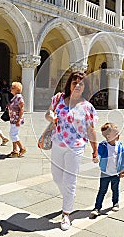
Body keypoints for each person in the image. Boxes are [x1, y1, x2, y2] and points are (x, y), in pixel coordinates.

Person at [45, 71, 98, 231]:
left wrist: (95, 149)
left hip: (76, 146)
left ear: (84, 87)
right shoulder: (58, 99)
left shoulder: (87, 107)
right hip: (58, 143)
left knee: (70, 180)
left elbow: (91, 129)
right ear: (69, 84)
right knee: (56, 176)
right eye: (74, 82)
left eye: (81, 83)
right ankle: (69, 196)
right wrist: (51, 117)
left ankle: (66, 213)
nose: (77, 85)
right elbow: (48, 114)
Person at [89, 122, 124, 219]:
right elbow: (99, 154)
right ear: (108, 136)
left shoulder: (120, 146)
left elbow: (123, 158)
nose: (118, 135)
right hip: (105, 173)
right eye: (116, 134)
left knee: (115, 189)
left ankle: (115, 203)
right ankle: (97, 208)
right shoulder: (103, 145)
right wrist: (97, 158)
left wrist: (122, 170)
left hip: (116, 173)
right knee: (102, 190)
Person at [6, 82, 26, 157]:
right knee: (14, 134)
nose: (11, 88)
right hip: (13, 118)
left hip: (16, 119)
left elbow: (22, 108)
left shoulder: (19, 97)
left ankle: (22, 148)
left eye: (13, 87)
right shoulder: (15, 97)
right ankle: (15, 151)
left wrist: (19, 120)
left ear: (17, 89)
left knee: (13, 134)